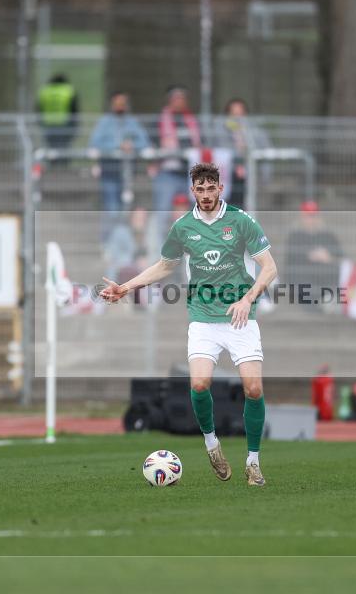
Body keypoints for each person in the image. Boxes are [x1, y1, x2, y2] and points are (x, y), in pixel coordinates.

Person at [100, 162, 277, 486]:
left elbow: (269, 267)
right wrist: (125, 288)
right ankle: (212, 445)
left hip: (240, 318)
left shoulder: (240, 221)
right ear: (192, 191)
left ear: (220, 188)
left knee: (253, 389)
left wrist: (248, 298)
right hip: (203, 319)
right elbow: (164, 266)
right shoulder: (182, 227)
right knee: (198, 386)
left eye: (212, 188)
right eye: (200, 189)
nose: (206, 195)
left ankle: (253, 462)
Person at [89, 92, 151, 241]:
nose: (120, 105)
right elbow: (95, 144)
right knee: (112, 210)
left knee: (128, 210)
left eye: (123, 102)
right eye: (117, 102)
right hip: (110, 172)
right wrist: (118, 146)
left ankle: (126, 244)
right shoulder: (104, 123)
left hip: (128, 174)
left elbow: (144, 143)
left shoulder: (132, 122)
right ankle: (108, 243)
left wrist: (132, 146)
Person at [152, 86, 202, 243]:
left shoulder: (192, 121)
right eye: (176, 98)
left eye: (182, 98)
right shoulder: (160, 121)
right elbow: (152, 144)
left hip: (189, 173)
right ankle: (161, 253)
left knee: (196, 214)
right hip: (168, 172)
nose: (179, 102)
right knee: (163, 214)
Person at [284, 200, 342, 309]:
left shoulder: (328, 236)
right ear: (302, 217)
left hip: (323, 276)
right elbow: (290, 262)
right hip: (303, 278)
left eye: (313, 216)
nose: (311, 219)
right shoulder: (295, 236)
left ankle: (327, 300)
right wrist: (309, 256)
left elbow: (340, 257)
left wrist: (328, 257)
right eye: (308, 216)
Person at [214, 98, 270, 209]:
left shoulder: (255, 131)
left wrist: (264, 177)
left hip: (250, 176)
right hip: (226, 175)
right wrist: (237, 165)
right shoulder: (219, 130)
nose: (237, 118)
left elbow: (264, 151)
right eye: (233, 113)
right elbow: (220, 151)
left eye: (240, 113)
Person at [37, 73, 79, 151]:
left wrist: (40, 123)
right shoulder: (69, 90)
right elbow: (74, 109)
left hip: (48, 125)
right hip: (65, 124)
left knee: (50, 149)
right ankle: (63, 162)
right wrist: (75, 126)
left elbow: (39, 108)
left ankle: (51, 162)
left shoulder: (45, 90)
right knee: (64, 149)